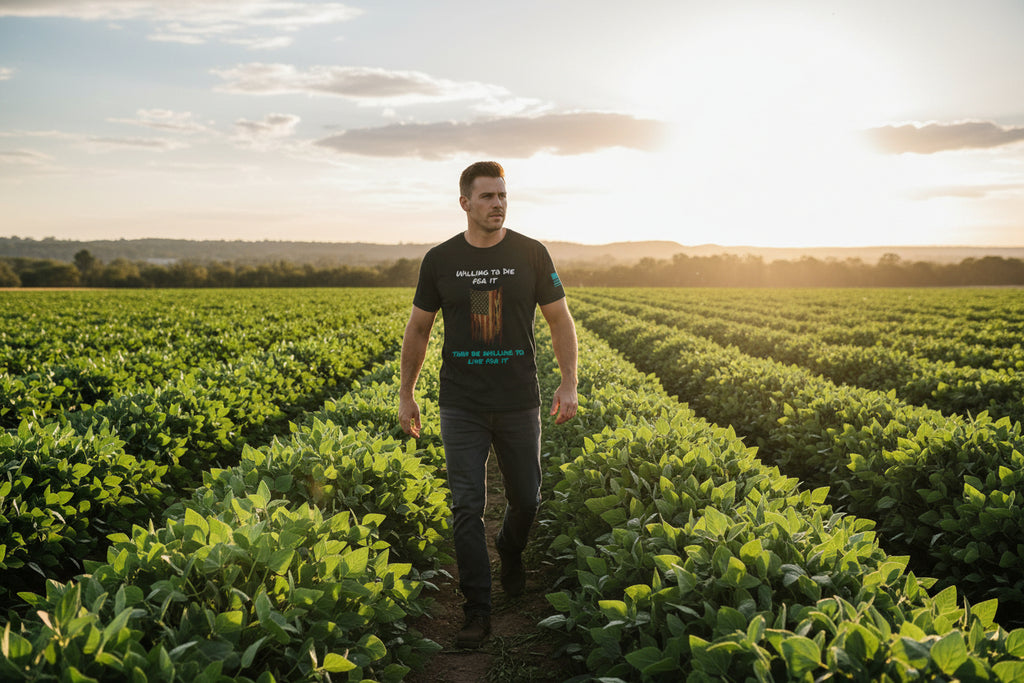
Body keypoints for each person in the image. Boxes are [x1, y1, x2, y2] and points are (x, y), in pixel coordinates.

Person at [398, 160, 578, 649]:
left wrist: (569, 382)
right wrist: (407, 394)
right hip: (462, 403)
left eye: (502, 195)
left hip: (520, 400)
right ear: (465, 203)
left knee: (527, 499)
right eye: (487, 197)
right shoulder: (440, 260)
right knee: (466, 507)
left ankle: (511, 550)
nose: (497, 203)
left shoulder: (531, 254)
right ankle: (476, 611)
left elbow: (560, 321)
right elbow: (419, 328)